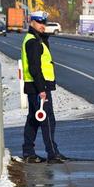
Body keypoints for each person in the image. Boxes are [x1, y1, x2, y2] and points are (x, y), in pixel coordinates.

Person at [21, 10, 67, 164]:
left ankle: (28, 152)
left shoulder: (36, 39)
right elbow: (35, 68)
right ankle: (52, 154)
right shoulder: (33, 42)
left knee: (33, 120)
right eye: (40, 22)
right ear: (32, 22)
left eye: (44, 22)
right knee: (47, 120)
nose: (43, 25)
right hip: (39, 87)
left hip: (34, 86)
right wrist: (42, 90)